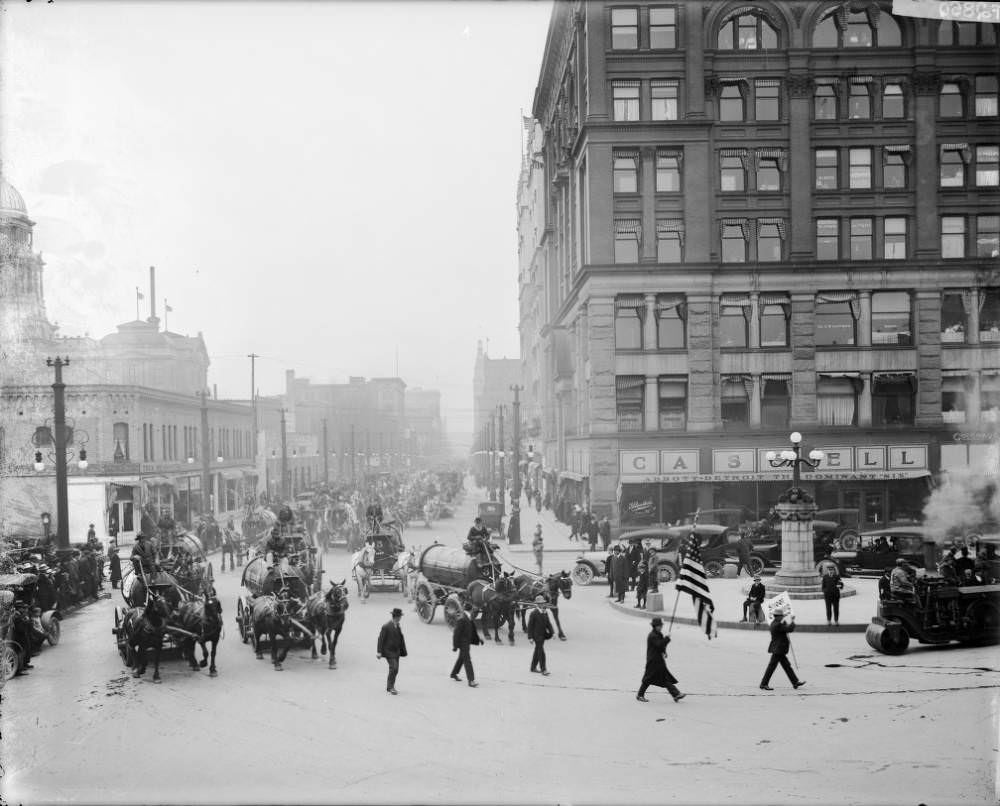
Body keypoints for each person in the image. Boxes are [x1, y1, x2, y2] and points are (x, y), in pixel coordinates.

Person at [636, 616, 685, 702]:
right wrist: (667, 638)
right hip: (653, 661)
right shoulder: (653, 635)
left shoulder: (659, 634)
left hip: (659, 661)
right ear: (655, 626)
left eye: (661, 625)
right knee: (648, 679)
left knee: (664, 678)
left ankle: (676, 694)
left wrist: (664, 652)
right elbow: (659, 645)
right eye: (659, 625)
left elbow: (661, 647)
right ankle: (640, 695)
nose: (661, 627)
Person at [759, 606, 804, 691]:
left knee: (787, 666)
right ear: (778, 616)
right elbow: (789, 629)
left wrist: (784, 624)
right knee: (772, 667)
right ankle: (763, 684)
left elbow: (784, 628)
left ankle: (795, 682)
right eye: (781, 616)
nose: (782, 617)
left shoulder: (774, 623)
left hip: (778, 649)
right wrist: (793, 621)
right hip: (778, 649)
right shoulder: (777, 625)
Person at [377, 607, 407, 695]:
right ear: (396, 617)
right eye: (400, 616)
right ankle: (391, 687)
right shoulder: (386, 626)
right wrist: (379, 652)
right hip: (389, 651)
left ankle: (389, 686)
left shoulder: (397, 626)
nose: (400, 618)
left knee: (396, 669)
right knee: (394, 667)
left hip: (396, 652)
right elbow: (380, 639)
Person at [450, 602, 482, 687]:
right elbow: (456, 633)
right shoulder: (463, 619)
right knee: (467, 661)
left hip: (466, 643)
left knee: (461, 659)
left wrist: (479, 639)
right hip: (463, 643)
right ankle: (471, 680)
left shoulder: (467, 617)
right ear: (471, 610)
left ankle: (453, 674)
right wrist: (455, 646)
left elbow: (472, 630)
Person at [527, 595, 553, 675]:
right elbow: (530, 626)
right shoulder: (534, 613)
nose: (543, 604)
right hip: (536, 636)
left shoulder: (545, 612)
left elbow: (548, 623)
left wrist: (553, 632)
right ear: (538, 604)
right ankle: (543, 669)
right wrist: (530, 637)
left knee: (537, 651)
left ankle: (533, 667)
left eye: (543, 603)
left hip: (543, 635)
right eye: (541, 603)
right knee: (541, 653)